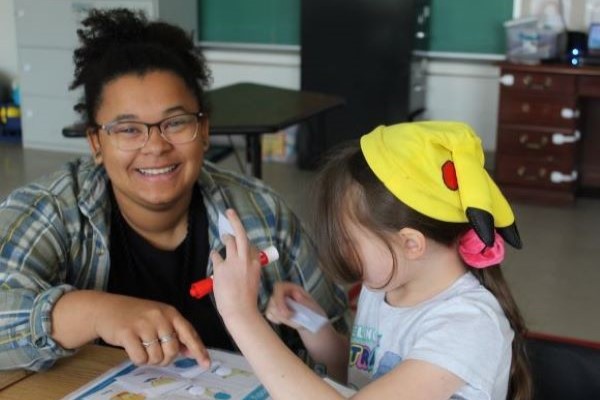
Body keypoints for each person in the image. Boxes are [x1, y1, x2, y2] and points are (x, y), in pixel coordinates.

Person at [0, 8, 348, 371]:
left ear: (205, 129)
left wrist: (313, 327)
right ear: (96, 144)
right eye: (129, 129)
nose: (155, 146)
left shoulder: (263, 215)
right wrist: (96, 312)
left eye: (176, 123)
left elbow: (343, 350)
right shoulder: (56, 209)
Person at [212, 121, 533, 400]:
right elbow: (362, 375)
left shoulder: (468, 325)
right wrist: (314, 325)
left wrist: (241, 315)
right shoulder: (387, 287)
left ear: (410, 243)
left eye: (350, 241)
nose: (340, 251)